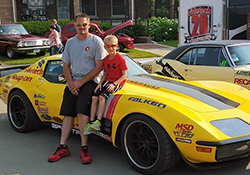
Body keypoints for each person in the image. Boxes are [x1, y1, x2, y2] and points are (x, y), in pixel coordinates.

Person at [48, 13, 106, 164]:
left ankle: (84, 147)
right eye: (79, 25)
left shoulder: (96, 41)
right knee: (67, 113)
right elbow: (65, 66)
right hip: (72, 82)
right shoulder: (71, 43)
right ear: (75, 25)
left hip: (89, 81)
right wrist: (71, 83)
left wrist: (80, 83)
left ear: (89, 25)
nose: (81, 28)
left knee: (81, 111)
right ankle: (63, 147)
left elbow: (99, 67)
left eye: (84, 25)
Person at [83, 35, 128, 135]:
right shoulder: (106, 59)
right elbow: (106, 74)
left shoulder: (120, 59)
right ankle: (91, 122)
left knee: (102, 98)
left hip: (117, 82)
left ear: (117, 46)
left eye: (113, 46)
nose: (110, 48)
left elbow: (124, 75)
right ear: (105, 47)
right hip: (106, 81)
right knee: (94, 98)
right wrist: (100, 83)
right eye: (108, 46)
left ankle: (98, 121)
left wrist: (114, 84)